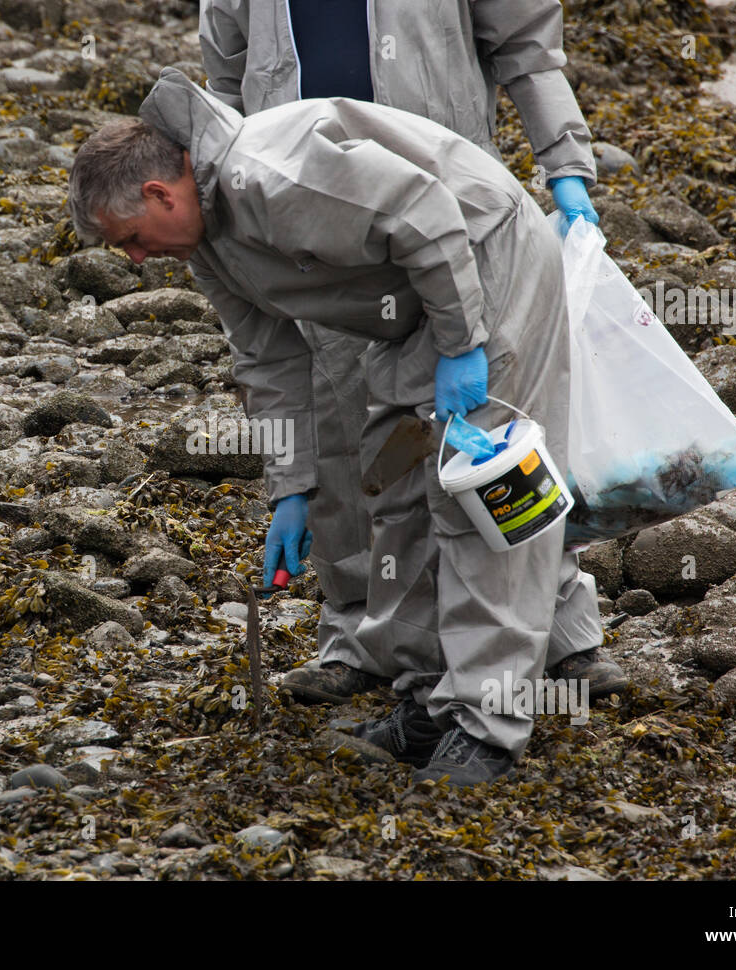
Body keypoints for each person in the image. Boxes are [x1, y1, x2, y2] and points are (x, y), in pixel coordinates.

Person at [69, 68, 587, 785]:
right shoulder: (208, 241)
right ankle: (428, 699)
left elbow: (425, 212)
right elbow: (268, 358)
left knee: (479, 501)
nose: (134, 259)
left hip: (484, 266)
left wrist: (464, 344)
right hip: (409, 309)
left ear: (160, 194)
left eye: (130, 238)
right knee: (397, 489)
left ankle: (488, 725)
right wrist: (293, 486)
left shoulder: (271, 175)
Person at [197, 0, 627, 705]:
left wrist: (565, 166)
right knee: (344, 437)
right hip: (312, 235)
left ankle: (563, 632)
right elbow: (223, 83)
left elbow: (525, 45)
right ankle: (361, 638)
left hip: (454, 217)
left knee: (499, 431)